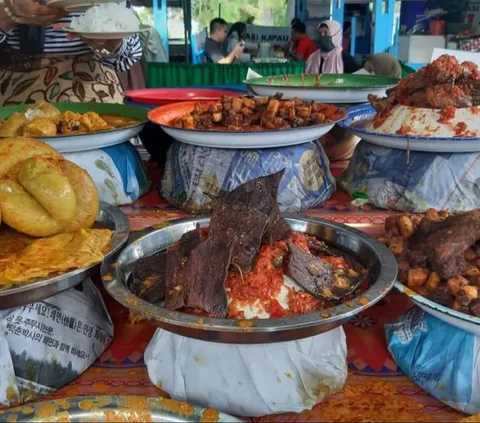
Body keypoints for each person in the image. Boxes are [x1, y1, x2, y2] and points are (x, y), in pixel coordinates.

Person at [0, 0, 142, 105]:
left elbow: (128, 57)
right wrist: (7, 16)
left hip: (93, 92)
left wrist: (110, 44)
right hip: (16, 91)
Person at [319, 52, 402, 162]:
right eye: (364, 68)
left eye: (371, 70)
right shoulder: (351, 105)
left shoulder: (395, 112)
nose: (364, 74)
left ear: (385, 75)